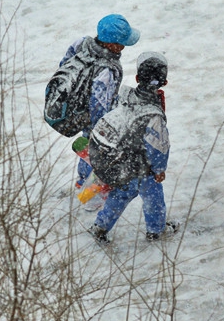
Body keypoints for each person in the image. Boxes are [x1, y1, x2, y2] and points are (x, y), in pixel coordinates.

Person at [87, 52, 178, 243]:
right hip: (140, 165)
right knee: (153, 198)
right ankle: (156, 230)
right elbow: (159, 147)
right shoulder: (152, 114)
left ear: (137, 78)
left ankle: (100, 225)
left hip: (120, 160)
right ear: (165, 83)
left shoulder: (124, 96)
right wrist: (159, 169)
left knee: (121, 193)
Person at [61, 14, 140, 195]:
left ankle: (82, 181)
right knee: (95, 152)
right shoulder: (105, 71)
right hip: (91, 116)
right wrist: (103, 129)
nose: (123, 47)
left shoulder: (81, 44)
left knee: (86, 148)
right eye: (122, 43)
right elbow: (99, 105)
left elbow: (64, 65)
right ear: (112, 44)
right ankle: (92, 193)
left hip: (76, 108)